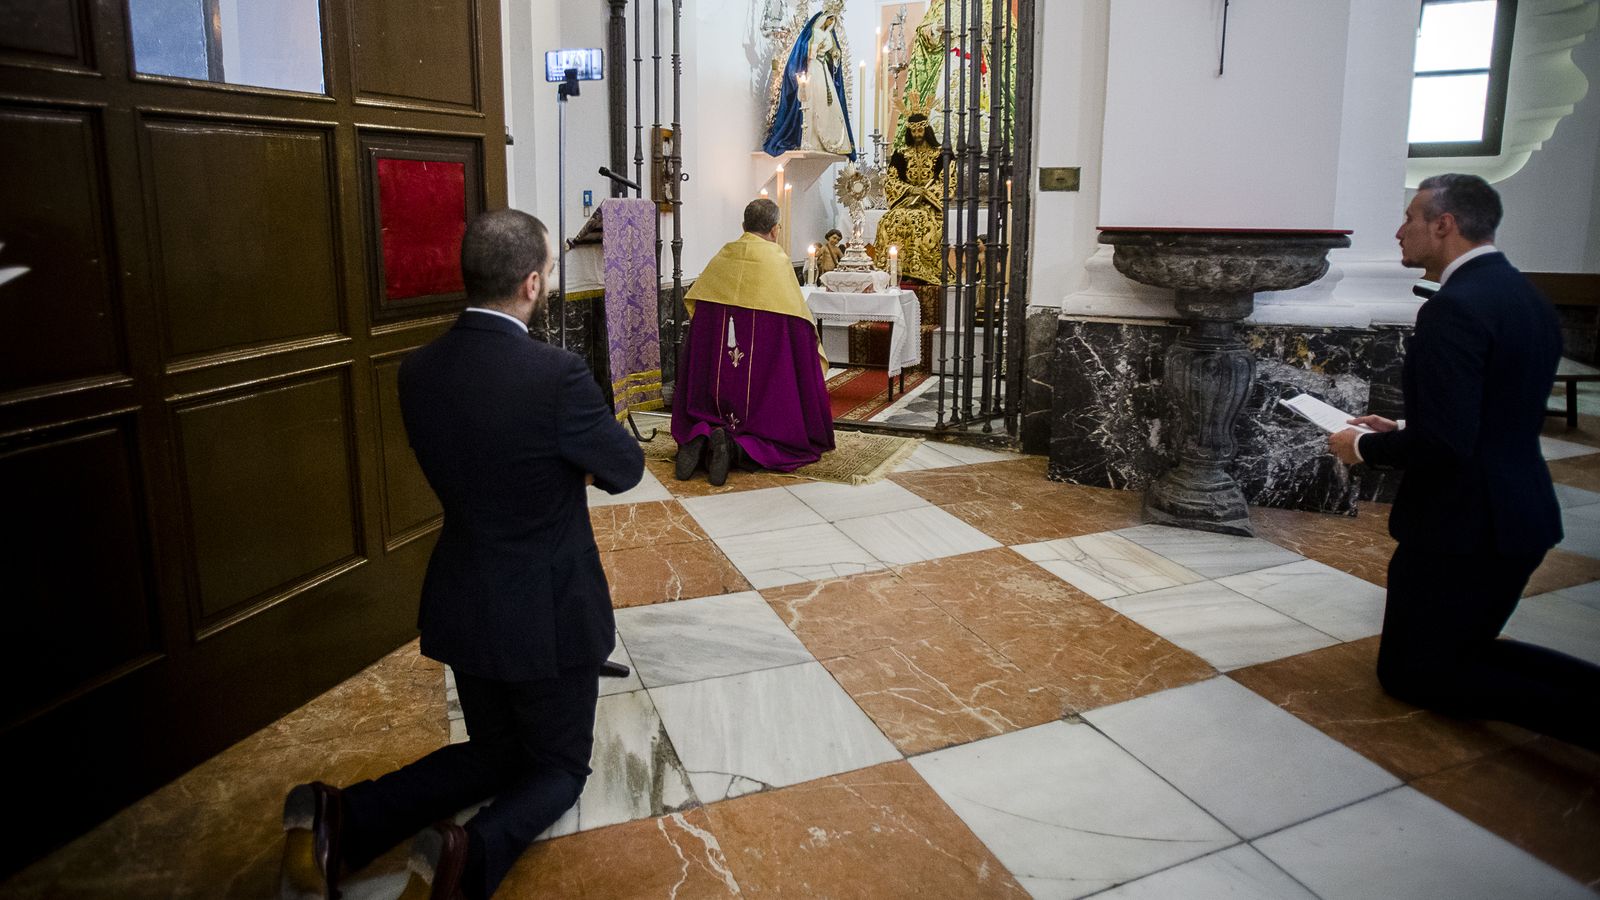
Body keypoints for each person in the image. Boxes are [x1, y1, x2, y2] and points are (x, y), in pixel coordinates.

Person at [278, 210, 645, 899]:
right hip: (550, 610)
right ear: (533, 283)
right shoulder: (556, 375)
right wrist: (574, 462)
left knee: (496, 753)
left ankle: (340, 816)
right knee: (560, 768)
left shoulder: (418, 371)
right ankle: (462, 857)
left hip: (468, 596)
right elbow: (625, 468)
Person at [1329, 174, 1599, 751]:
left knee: (1417, 675)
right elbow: (1497, 409)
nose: (1399, 232)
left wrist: (1362, 448)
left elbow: (1447, 447)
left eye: (1409, 218)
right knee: (1465, 652)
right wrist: (1401, 425)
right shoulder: (1521, 295)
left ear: (1443, 224)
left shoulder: (1454, 308)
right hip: (1517, 513)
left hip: (1465, 526)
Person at [672, 198, 834, 484]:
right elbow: (799, 328)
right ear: (775, 230)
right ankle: (735, 449)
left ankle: (699, 436)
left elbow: (700, 322)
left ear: (743, 227)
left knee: (714, 404)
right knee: (776, 434)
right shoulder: (777, 263)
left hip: (719, 377)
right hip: (762, 384)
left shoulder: (722, 258)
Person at [763, 0, 857, 160]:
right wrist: (814, 50)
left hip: (822, 70)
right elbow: (806, 51)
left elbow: (832, 53)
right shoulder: (815, 33)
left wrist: (834, 56)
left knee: (826, 105)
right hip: (813, 68)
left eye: (832, 21)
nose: (829, 23)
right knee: (812, 101)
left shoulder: (828, 35)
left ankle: (830, 142)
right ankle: (809, 139)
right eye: (828, 20)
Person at [873, 105, 946, 285]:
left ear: (927, 129)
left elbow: (946, 181)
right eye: (913, 131)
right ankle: (893, 268)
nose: (917, 134)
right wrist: (909, 190)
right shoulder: (901, 154)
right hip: (905, 201)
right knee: (889, 219)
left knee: (917, 220)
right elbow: (891, 180)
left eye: (920, 130)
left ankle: (919, 269)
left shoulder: (941, 154)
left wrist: (926, 193)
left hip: (929, 205)